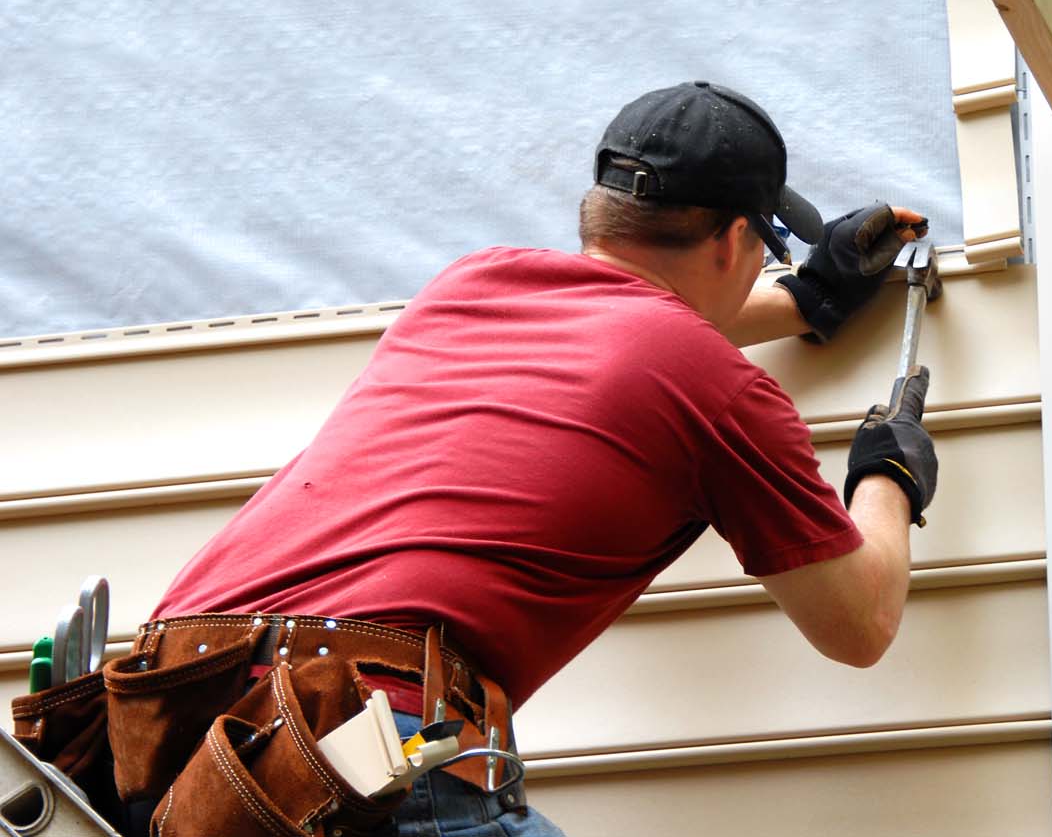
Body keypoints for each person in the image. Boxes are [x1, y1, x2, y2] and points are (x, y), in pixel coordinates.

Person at [135, 81, 939, 836]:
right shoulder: (719, 389)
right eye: (764, 248)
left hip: (166, 719)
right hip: (348, 735)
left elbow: (623, 340)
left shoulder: (469, 286)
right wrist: (887, 475)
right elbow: (858, 623)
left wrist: (807, 299)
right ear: (735, 241)